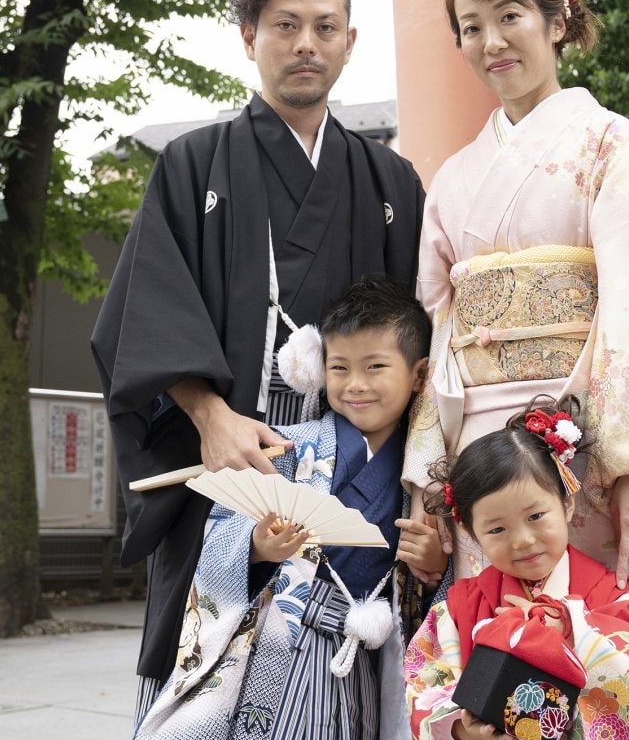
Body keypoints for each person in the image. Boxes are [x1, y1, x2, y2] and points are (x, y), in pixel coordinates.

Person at [92, 0, 425, 707]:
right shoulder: (191, 165)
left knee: (345, 687)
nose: (306, 44)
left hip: (357, 489)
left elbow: (421, 343)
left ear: (349, 41)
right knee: (208, 686)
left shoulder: (391, 183)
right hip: (228, 476)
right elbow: (141, 315)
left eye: (325, 27)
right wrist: (208, 417)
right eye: (285, 25)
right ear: (249, 36)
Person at [402, 0, 629, 648]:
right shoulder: (455, 180)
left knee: (604, 656)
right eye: (470, 27)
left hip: (587, 449)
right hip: (481, 464)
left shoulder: (608, 143)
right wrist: (429, 476)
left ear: (556, 20)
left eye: (509, 16)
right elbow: (439, 330)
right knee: (493, 662)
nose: (490, 42)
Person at [135, 276, 446, 740]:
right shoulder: (288, 449)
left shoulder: (423, 477)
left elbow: (432, 593)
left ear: (419, 374)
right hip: (279, 638)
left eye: (375, 366)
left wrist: (433, 566)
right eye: (339, 368)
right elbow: (220, 540)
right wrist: (258, 546)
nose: (355, 385)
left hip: (361, 654)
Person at [405, 397, 629, 740]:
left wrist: (575, 630)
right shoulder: (461, 605)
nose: (523, 540)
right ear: (471, 533)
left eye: (535, 516)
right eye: (498, 529)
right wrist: (459, 729)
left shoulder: (609, 597)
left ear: (567, 502)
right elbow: (423, 682)